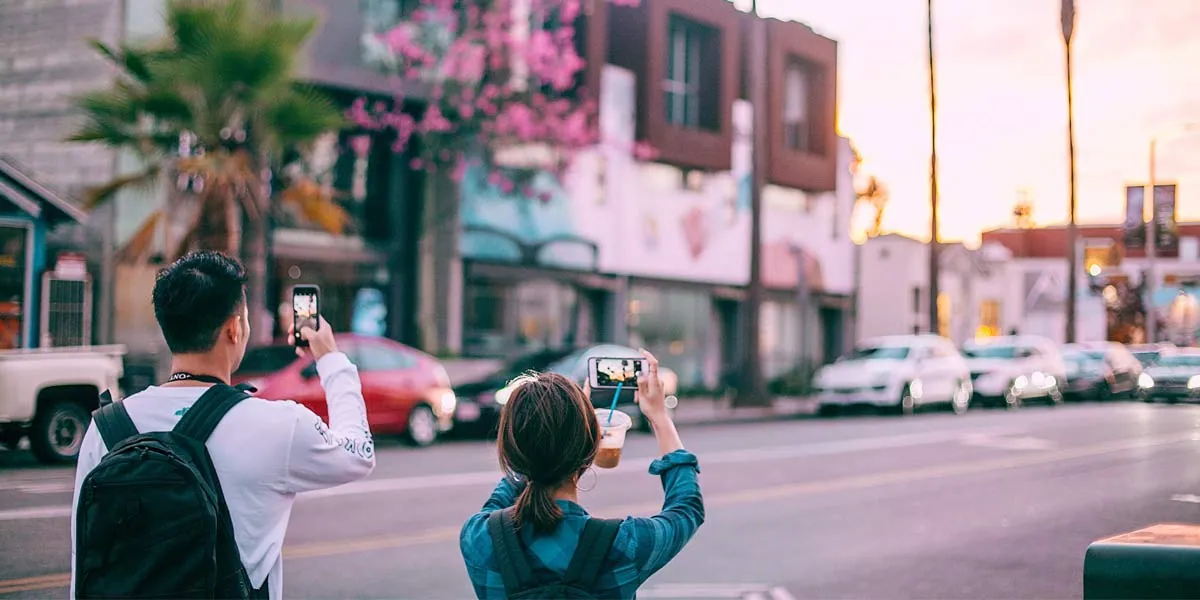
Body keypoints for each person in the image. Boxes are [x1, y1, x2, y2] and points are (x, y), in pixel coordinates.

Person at [70, 251, 375, 599]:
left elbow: (84, 563)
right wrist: (331, 358)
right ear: (234, 328)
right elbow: (359, 451)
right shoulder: (276, 424)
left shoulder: (107, 427)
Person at [460, 350, 704, 599]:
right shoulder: (625, 544)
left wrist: (564, 427)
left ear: (510, 451)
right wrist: (660, 417)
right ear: (590, 449)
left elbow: (514, 476)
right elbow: (686, 509)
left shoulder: (480, 537)